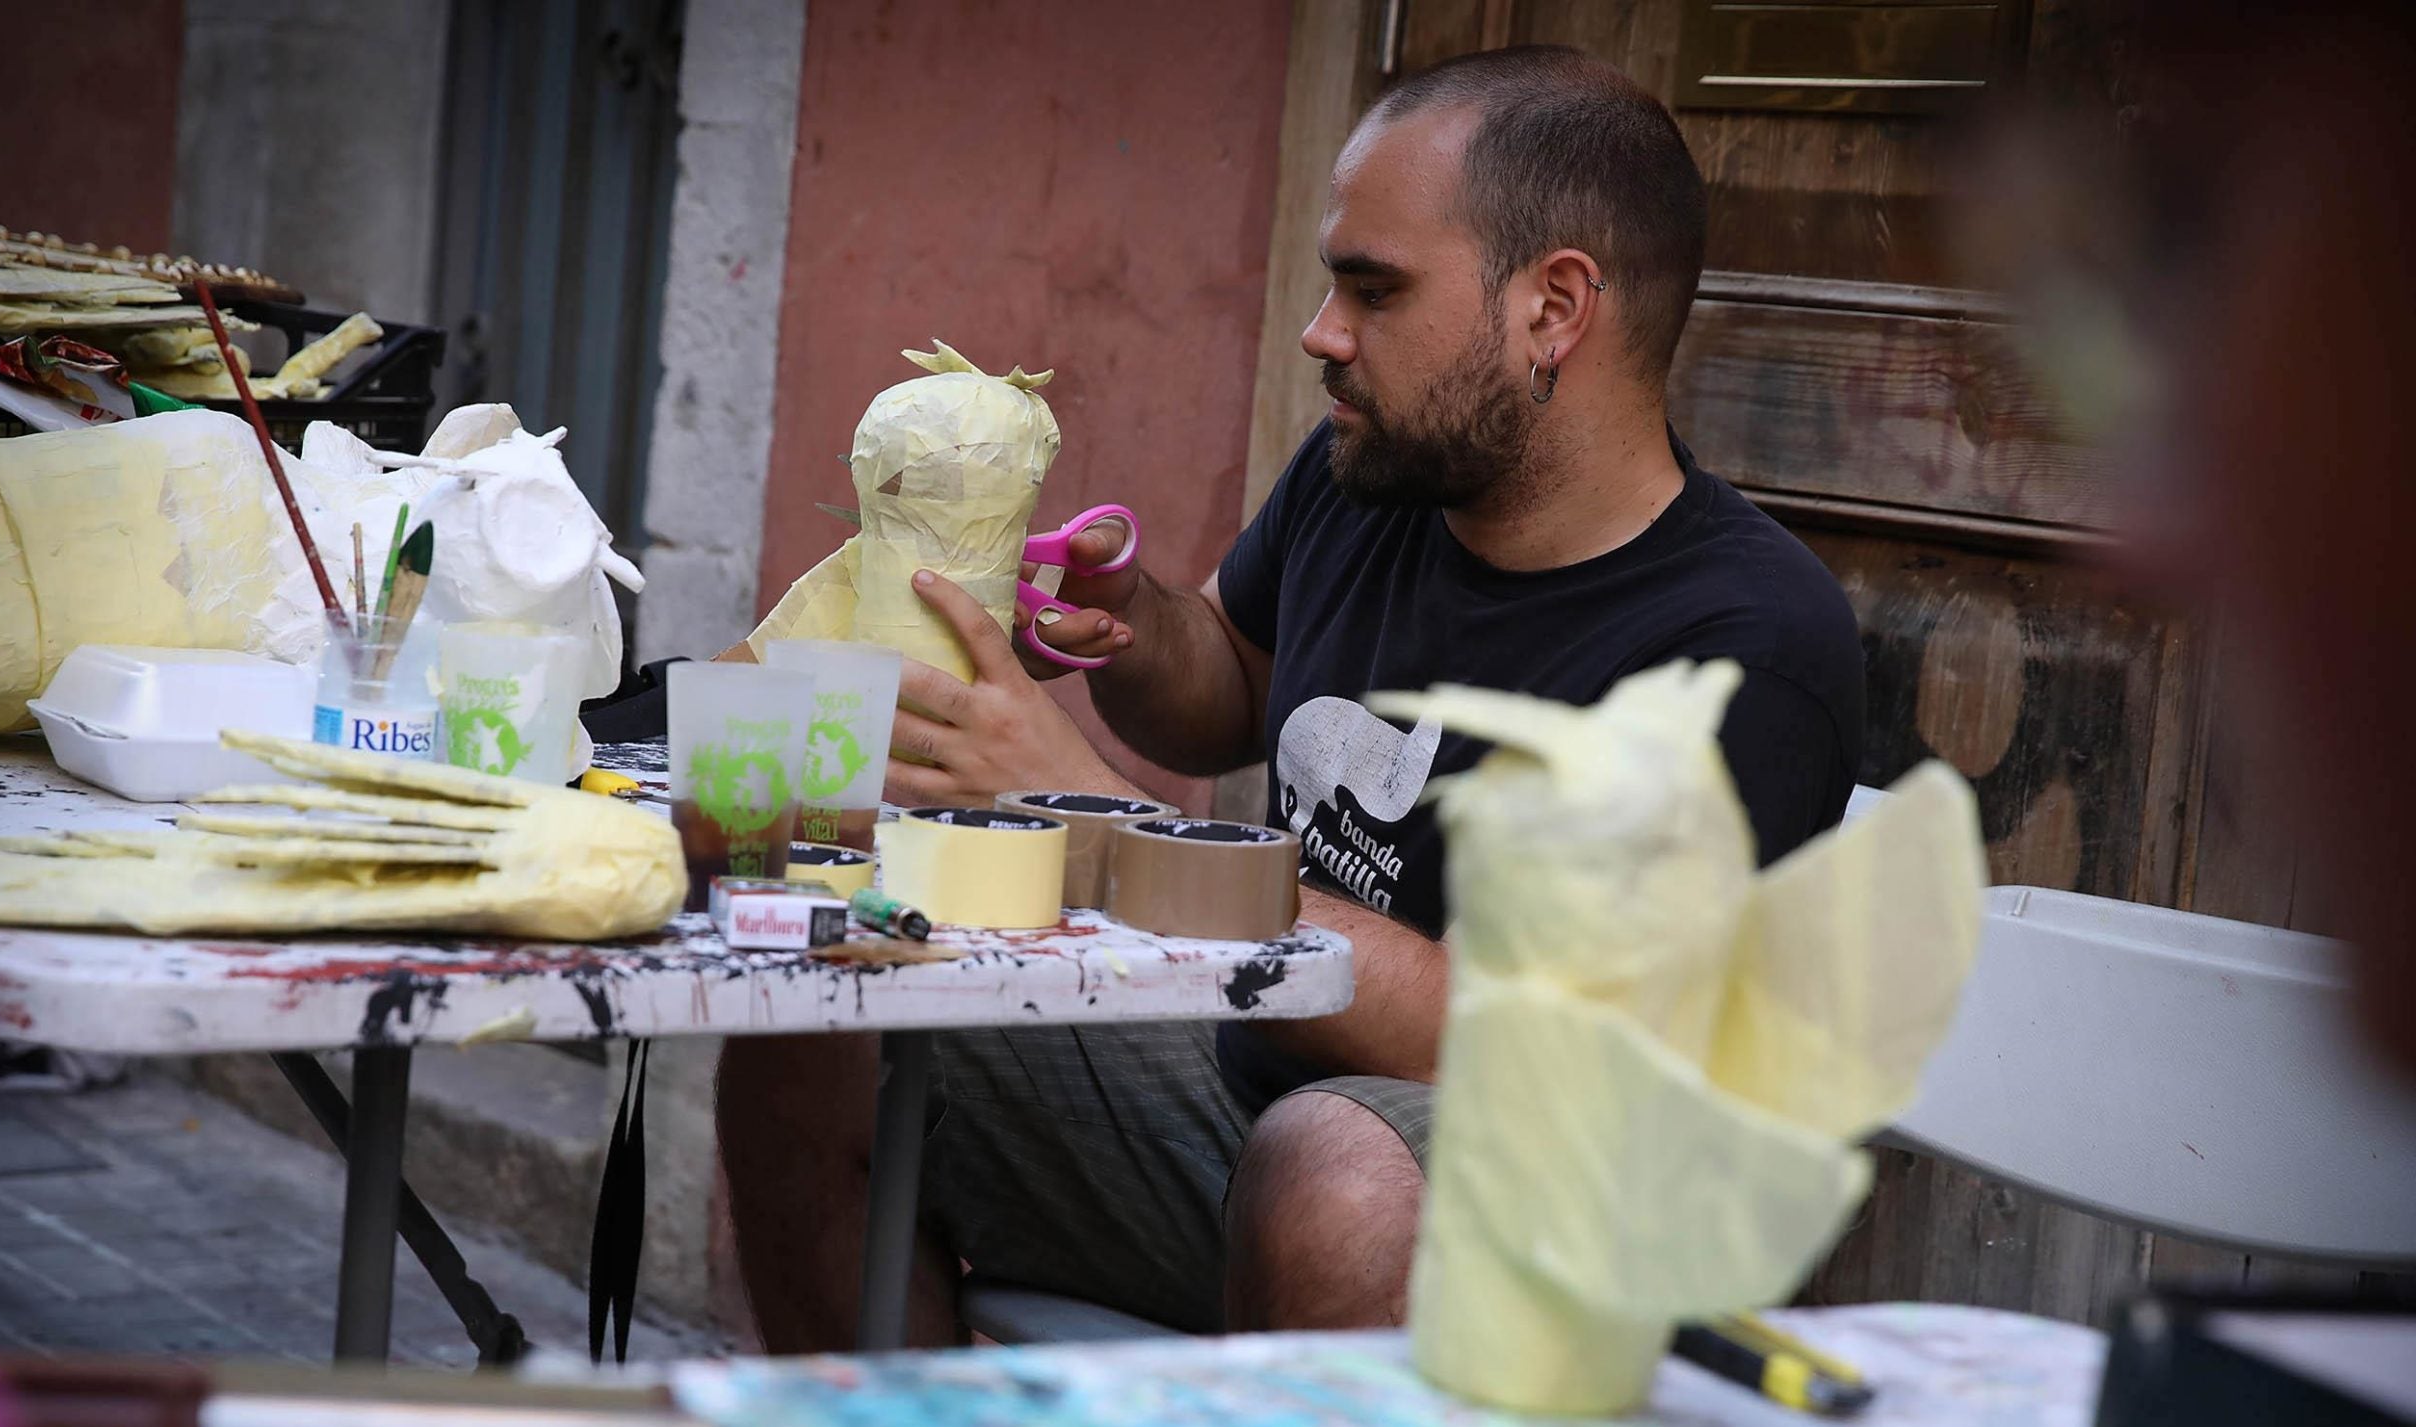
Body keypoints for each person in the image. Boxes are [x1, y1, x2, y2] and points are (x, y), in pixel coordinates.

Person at [716, 45, 1865, 1348]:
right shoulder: (1369, 471)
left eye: (1374, 290)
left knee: (1337, 1175)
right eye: (1333, 282)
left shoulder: (1744, 649)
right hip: (1244, 1105)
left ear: (1555, 309)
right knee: (818, 1024)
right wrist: (1137, 629)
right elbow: (1234, 692)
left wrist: (1084, 816)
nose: (1323, 333)